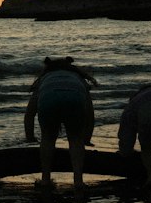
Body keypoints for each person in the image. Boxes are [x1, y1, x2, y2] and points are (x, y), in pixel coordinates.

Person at [23, 56, 97, 192]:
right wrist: (87, 138)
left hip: (48, 100)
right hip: (75, 99)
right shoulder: (77, 78)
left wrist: (30, 136)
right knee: (75, 139)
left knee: (48, 138)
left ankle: (45, 179)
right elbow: (90, 114)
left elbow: (29, 114)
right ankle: (78, 181)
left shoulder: (44, 79)